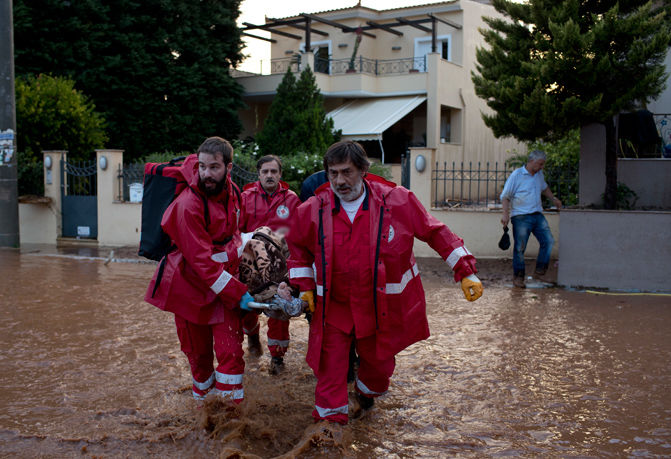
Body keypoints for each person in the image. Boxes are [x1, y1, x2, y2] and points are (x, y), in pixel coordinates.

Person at [285, 140, 483, 425]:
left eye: (346, 172)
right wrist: (304, 287)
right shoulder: (313, 209)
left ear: (363, 170)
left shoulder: (398, 201)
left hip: (378, 309)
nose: (339, 181)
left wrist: (465, 271)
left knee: (377, 372)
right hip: (335, 310)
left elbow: (434, 231)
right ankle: (329, 435)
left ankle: (365, 397)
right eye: (333, 174)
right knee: (330, 373)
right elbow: (297, 248)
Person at [144, 136, 254, 404]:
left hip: (222, 287)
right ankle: (203, 416)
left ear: (228, 168)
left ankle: (231, 421)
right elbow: (202, 262)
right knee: (200, 361)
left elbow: (234, 238)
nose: (206, 173)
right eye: (202, 166)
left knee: (231, 354)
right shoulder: (187, 206)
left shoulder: (235, 193)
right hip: (188, 289)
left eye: (214, 167)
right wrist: (238, 293)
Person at [239, 155, 300, 375]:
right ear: (258, 174)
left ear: (280, 174)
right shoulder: (245, 198)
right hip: (251, 267)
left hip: (280, 268)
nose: (269, 175)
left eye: (274, 172)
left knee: (279, 313)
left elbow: (298, 235)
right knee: (245, 308)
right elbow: (236, 233)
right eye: (265, 171)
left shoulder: (292, 200)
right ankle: (252, 338)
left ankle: (277, 359)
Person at [500, 149, 562, 288]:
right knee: (520, 248)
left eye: (542, 164)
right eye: (540, 164)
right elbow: (505, 196)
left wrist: (554, 199)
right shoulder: (517, 175)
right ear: (531, 161)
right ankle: (518, 277)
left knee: (548, 241)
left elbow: (544, 188)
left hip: (537, 215)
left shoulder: (539, 175)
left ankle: (539, 273)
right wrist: (505, 214)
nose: (542, 167)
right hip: (521, 216)